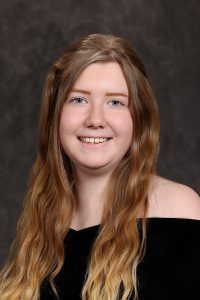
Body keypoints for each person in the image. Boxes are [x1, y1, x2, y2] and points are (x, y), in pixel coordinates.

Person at [0, 33, 200, 300]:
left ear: (138, 119)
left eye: (115, 102)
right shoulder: (42, 225)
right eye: (79, 99)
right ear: (55, 116)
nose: (95, 119)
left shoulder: (179, 210)